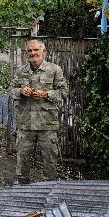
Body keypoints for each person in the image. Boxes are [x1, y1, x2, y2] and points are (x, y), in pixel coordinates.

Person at [10, 39, 68, 184]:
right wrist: (21, 91)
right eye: (29, 51)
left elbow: (64, 92)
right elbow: (10, 90)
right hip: (25, 124)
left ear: (44, 52)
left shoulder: (55, 70)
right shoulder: (21, 71)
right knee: (22, 160)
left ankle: (48, 189)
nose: (32, 53)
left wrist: (46, 94)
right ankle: (22, 188)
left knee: (49, 161)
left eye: (36, 50)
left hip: (47, 124)